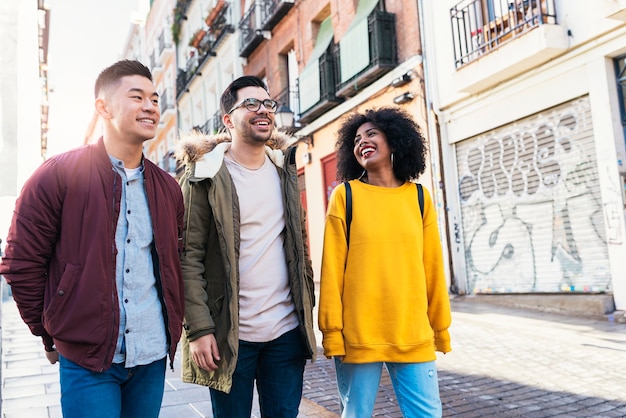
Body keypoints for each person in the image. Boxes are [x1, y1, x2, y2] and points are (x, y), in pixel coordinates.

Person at [0, 60, 185, 418]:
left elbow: (174, 262)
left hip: (151, 357)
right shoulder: (57, 176)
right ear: (103, 107)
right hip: (87, 360)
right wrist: (47, 331)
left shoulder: (168, 188)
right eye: (137, 97)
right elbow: (21, 264)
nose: (150, 106)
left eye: (154, 98)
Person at [175, 75, 316, 417]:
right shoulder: (204, 176)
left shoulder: (284, 170)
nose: (263, 110)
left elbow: (299, 246)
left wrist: (308, 311)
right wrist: (199, 329)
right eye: (250, 104)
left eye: (267, 103)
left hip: (285, 334)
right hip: (228, 335)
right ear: (228, 119)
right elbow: (186, 257)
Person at [318, 107, 452, 417]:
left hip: (412, 331)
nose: (361, 141)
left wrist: (439, 328)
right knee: (356, 414)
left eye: (371, 134)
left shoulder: (419, 197)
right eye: (356, 138)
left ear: (394, 140)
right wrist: (332, 333)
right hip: (359, 334)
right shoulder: (345, 195)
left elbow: (432, 268)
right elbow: (332, 271)